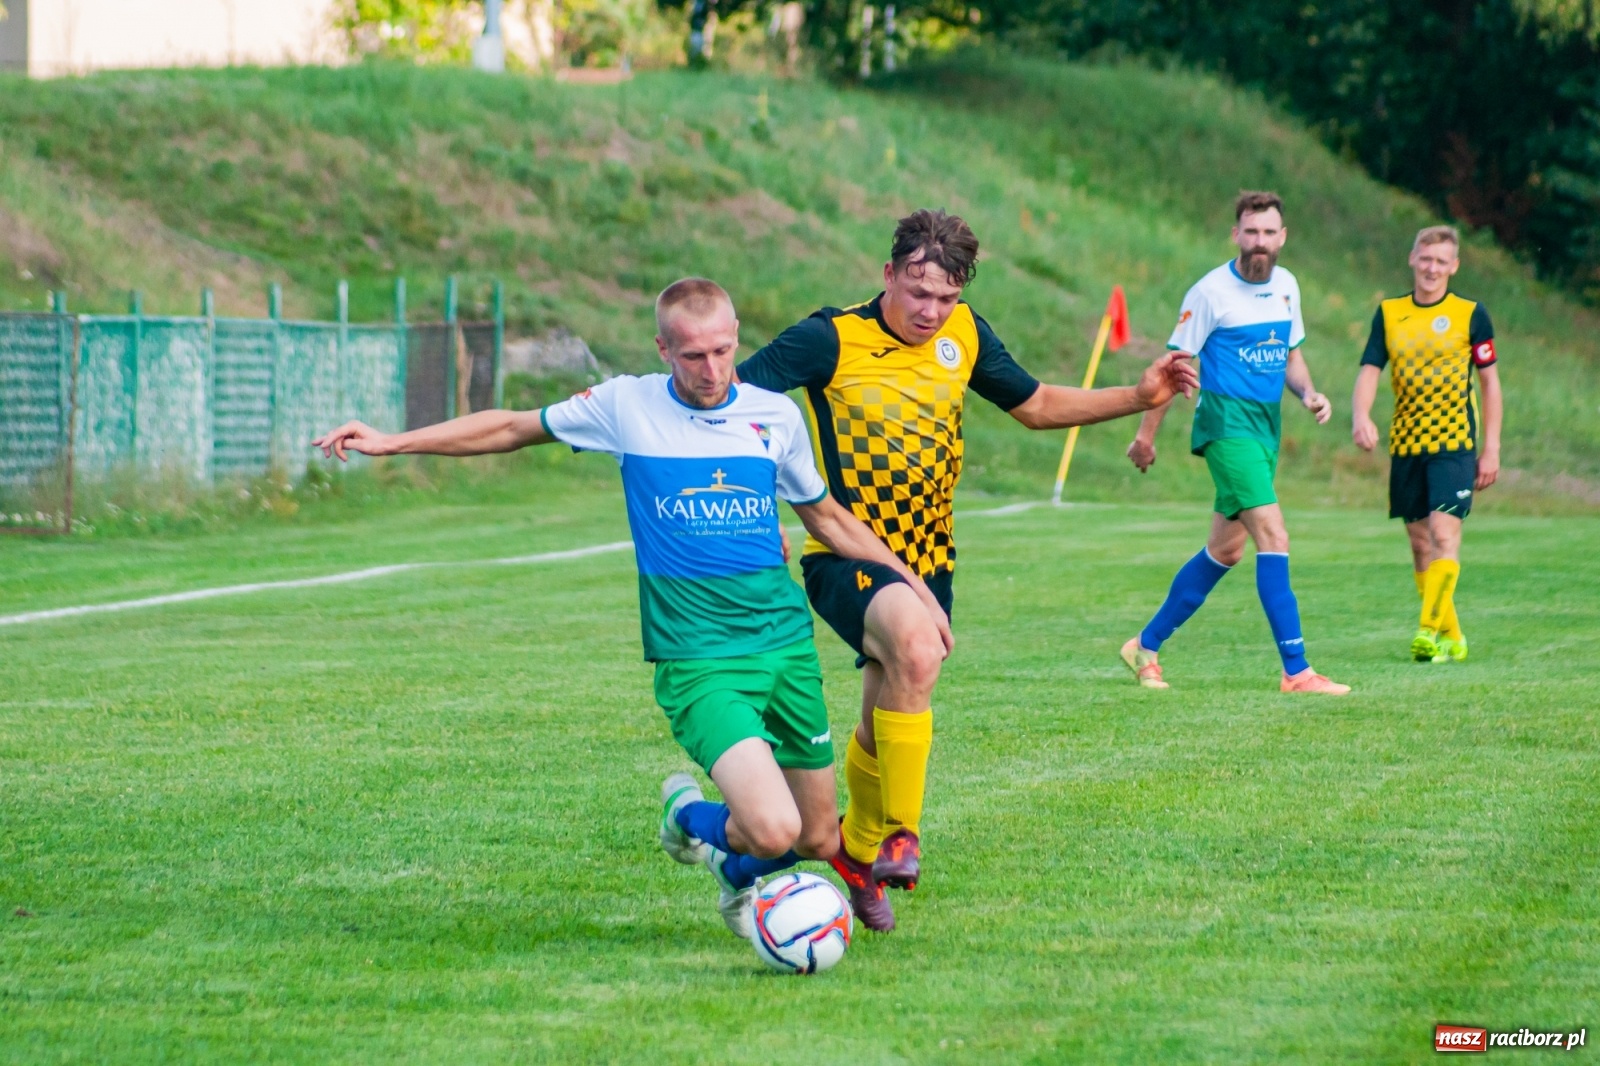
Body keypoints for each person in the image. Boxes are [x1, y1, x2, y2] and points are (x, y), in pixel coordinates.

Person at [311, 278, 950, 941]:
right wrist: (392, 442)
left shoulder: (773, 416)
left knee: (818, 837)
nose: (712, 370)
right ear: (663, 348)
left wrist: (916, 590)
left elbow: (825, 516)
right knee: (773, 827)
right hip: (699, 658)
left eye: (724, 351)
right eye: (694, 355)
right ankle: (687, 820)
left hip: (784, 647)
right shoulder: (624, 405)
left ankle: (735, 875)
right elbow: (509, 427)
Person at [737, 209, 1198, 931]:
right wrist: (760, 515)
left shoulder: (967, 334)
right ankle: (901, 834)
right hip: (847, 553)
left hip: (932, 561)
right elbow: (731, 410)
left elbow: (1039, 404)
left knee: (886, 711)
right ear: (887, 275)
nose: (930, 312)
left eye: (945, 299)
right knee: (917, 648)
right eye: (918, 292)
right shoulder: (829, 338)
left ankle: (857, 853)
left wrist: (1139, 399)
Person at [1121, 190, 1351, 696]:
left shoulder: (1288, 286)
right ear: (1236, 234)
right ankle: (1297, 671)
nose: (1260, 242)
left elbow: (1291, 357)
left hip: (1266, 429)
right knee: (1275, 535)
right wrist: (1145, 436)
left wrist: (1310, 394)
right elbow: (1172, 369)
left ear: (1283, 237)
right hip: (1225, 427)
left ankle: (1145, 645)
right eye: (1251, 232)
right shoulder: (1208, 293)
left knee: (1224, 551)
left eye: (1269, 233)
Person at [1350, 225, 1502, 662]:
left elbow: (1490, 385)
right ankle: (1453, 636)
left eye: (1442, 261)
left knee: (1443, 534)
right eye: (1426, 258)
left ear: (1453, 267)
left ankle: (1426, 632)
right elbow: (1369, 369)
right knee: (1420, 544)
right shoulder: (1390, 312)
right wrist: (1361, 416)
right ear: (1413, 259)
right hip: (1406, 444)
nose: (1432, 267)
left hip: (1455, 443)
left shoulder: (1472, 314)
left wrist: (1490, 448)